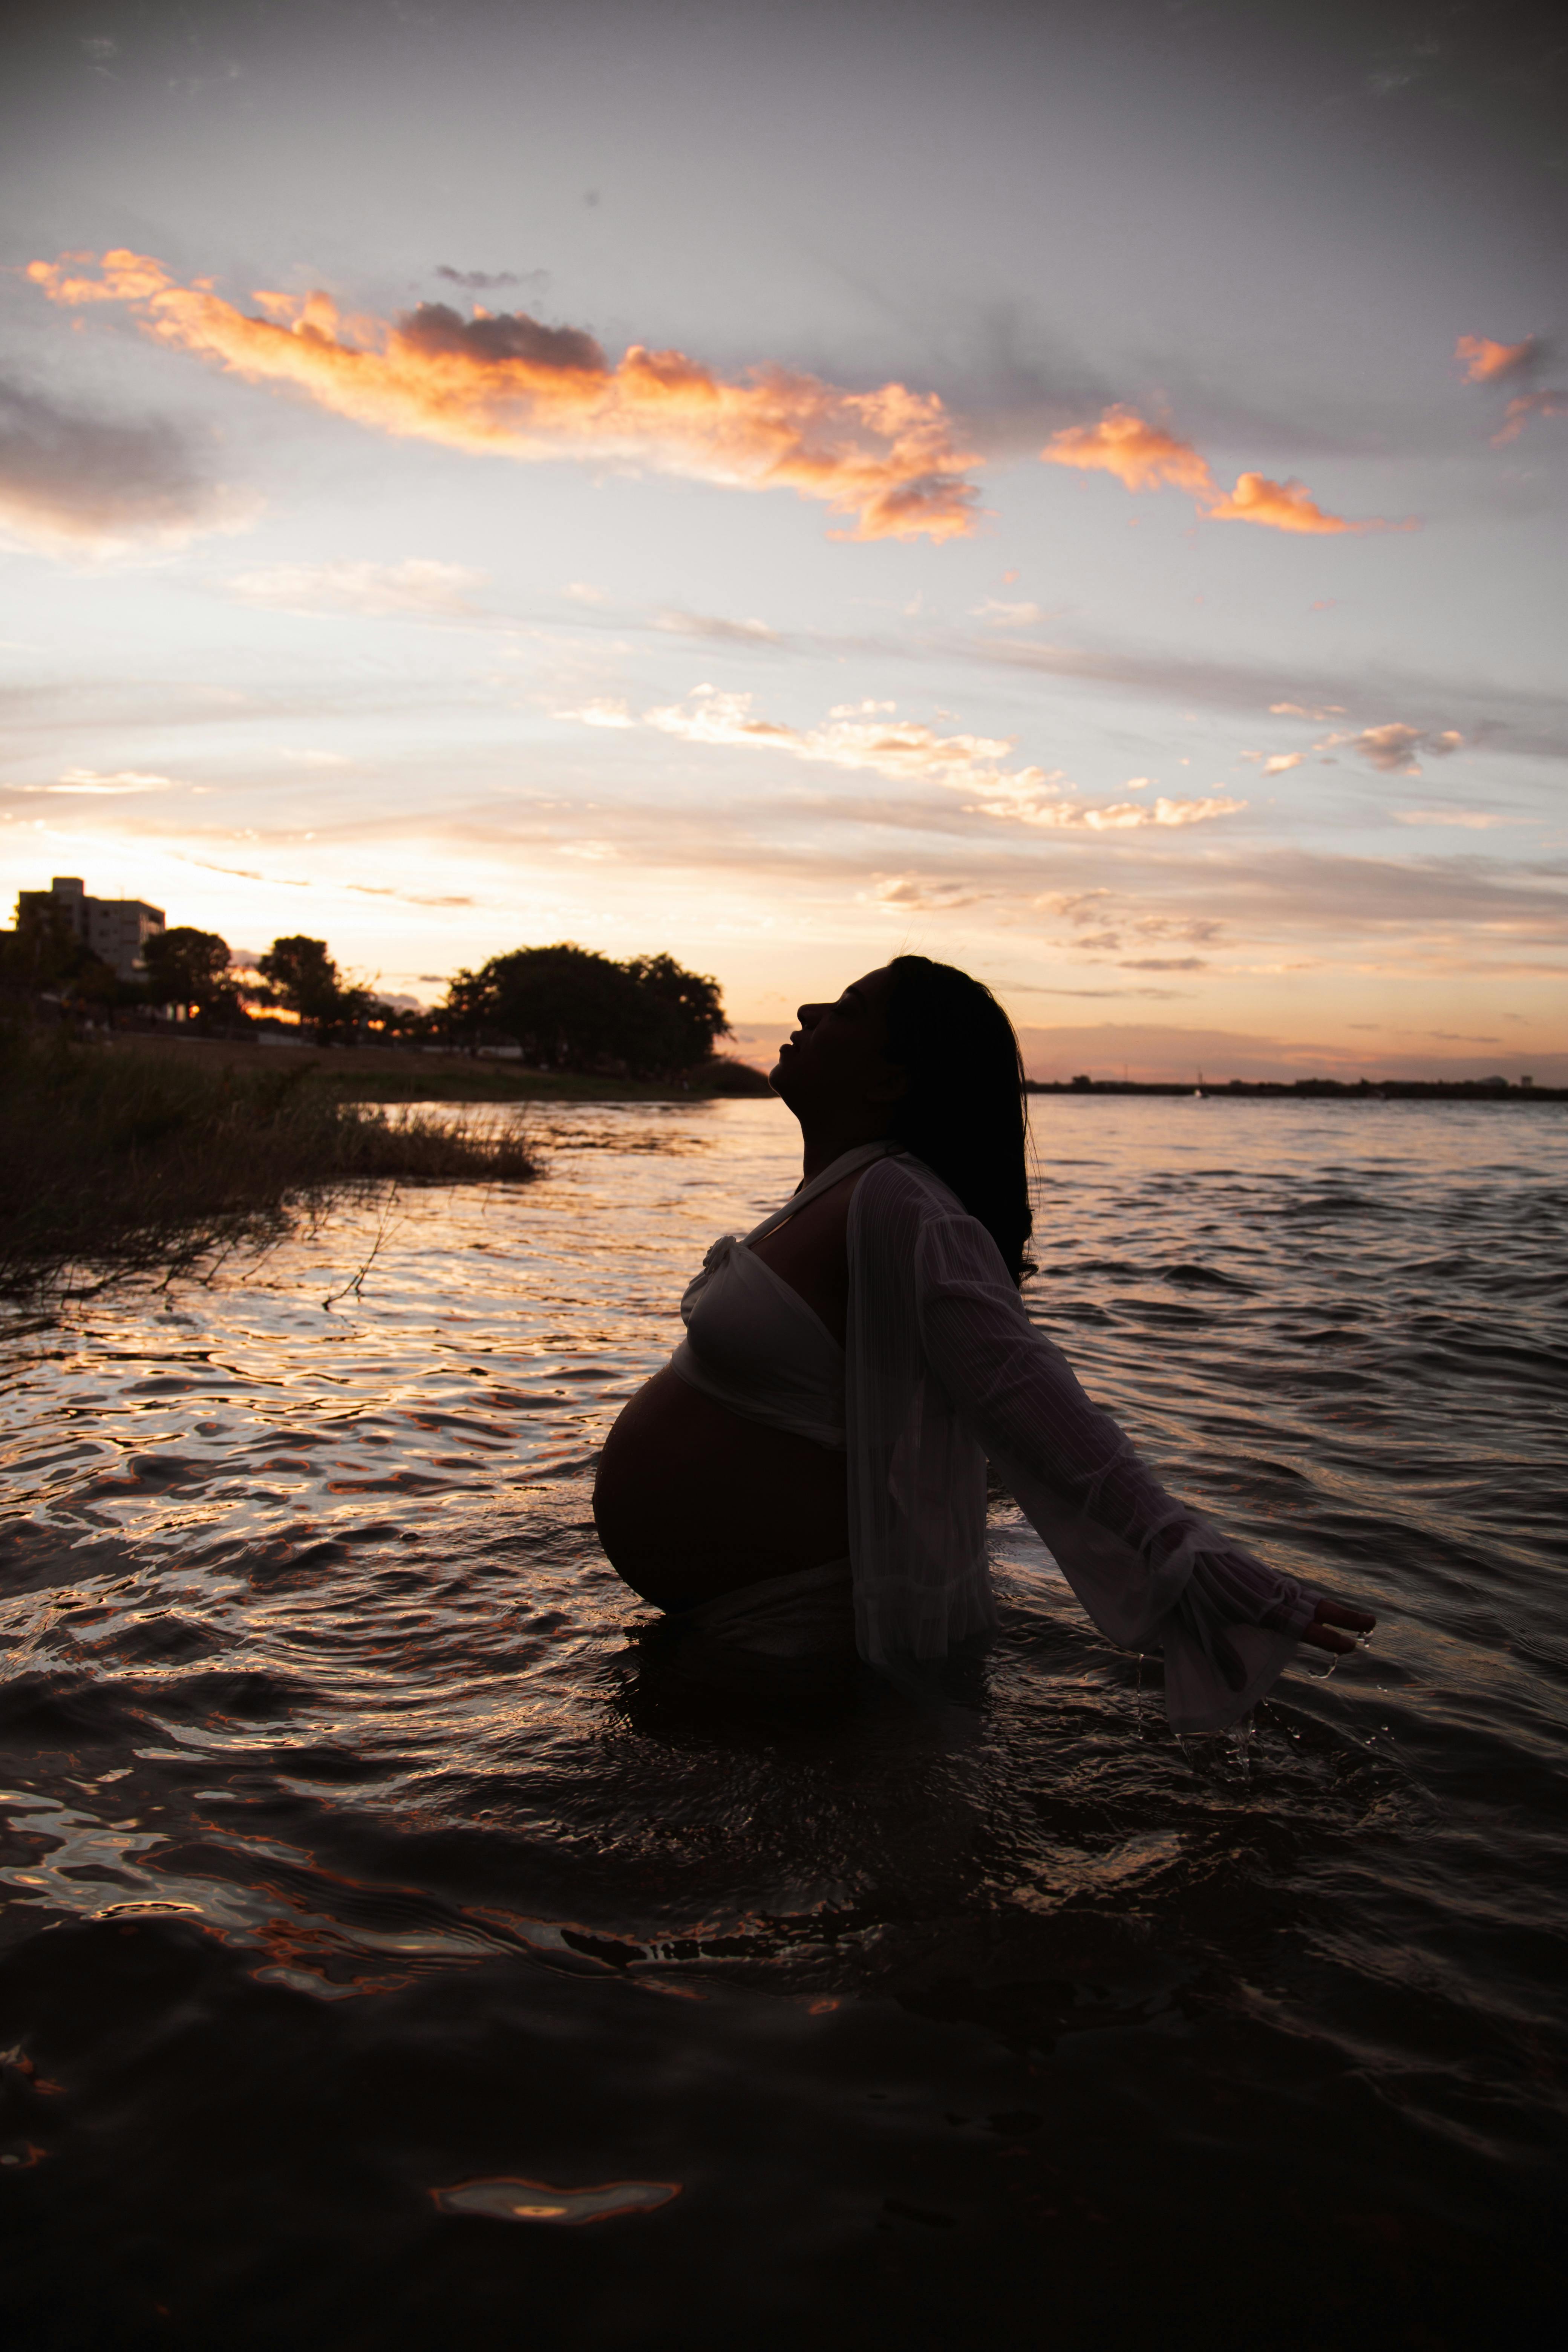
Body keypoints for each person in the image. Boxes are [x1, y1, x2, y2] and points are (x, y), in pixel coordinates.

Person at [592, 957, 1375, 1730]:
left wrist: (1187, 1555)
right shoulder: (843, 1189)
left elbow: (1023, 1391)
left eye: (847, 1010)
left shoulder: (905, 1203)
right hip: (747, 1632)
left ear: (893, 1081)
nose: (807, 1011)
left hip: (796, 1641)